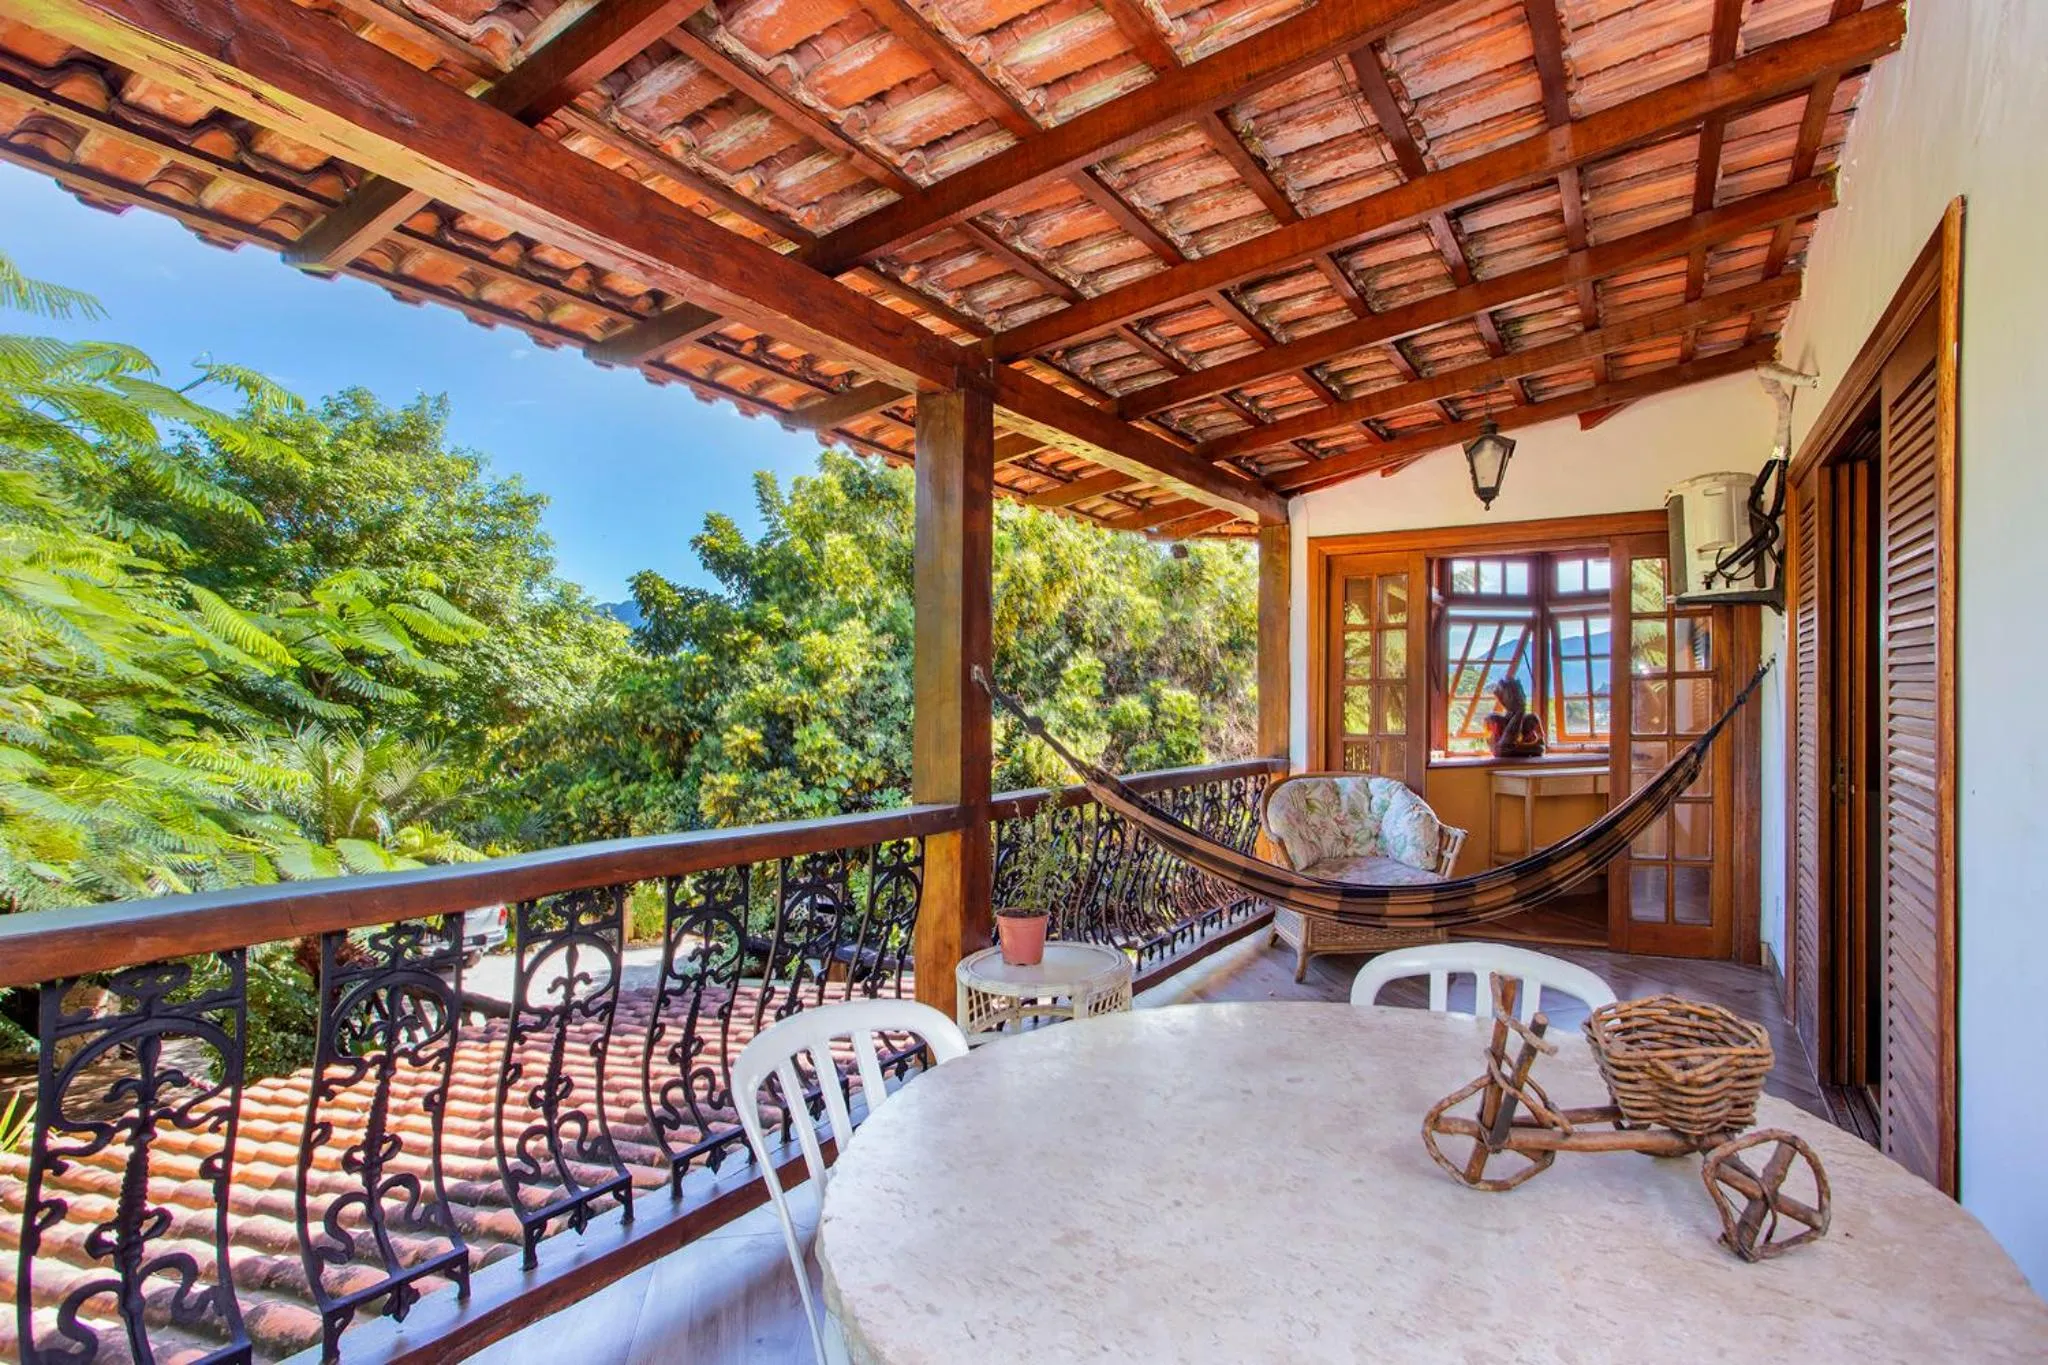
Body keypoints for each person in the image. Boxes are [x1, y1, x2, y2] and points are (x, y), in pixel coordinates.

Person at [1484, 677, 1546, 758]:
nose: (1518, 699)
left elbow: (1540, 748)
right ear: (1501, 699)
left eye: (1520, 694)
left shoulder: (1531, 719)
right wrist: (1519, 712)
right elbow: (1499, 751)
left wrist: (1512, 748)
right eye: (1511, 695)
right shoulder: (1494, 719)